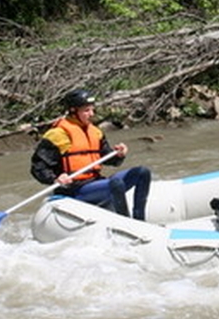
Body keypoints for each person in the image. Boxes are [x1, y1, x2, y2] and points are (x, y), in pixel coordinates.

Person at [30, 89, 151, 221]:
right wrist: (55, 178)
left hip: (95, 182)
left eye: (92, 110)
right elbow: (38, 167)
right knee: (115, 183)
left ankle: (139, 220)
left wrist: (119, 155)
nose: (91, 114)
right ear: (73, 111)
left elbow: (109, 159)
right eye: (86, 111)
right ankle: (127, 223)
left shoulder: (95, 132)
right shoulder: (57, 134)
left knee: (142, 172)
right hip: (75, 189)